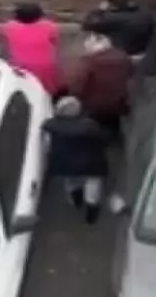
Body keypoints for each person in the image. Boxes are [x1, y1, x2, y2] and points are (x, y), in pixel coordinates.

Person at [43, 96, 110, 225]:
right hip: (92, 164)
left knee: (72, 182)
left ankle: (77, 201)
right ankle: (91, 215)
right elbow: (104, 139)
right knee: (93, 188)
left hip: (66, 164)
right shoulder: (90, 126)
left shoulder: (51, 125)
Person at [66, 33, 132, 145]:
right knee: (113, 122)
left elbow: (80, 82)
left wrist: (74, 95)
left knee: (94, 124)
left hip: (95, 103)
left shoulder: (90, 62)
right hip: (118, 101)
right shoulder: (123, 57)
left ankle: (96, 143)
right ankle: (113, 140)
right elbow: (130, 74)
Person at [0, 2, 61, 95]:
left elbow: (6, 46)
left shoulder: (8, 27)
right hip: (45, 67)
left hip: (19, 67)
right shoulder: (51, 27)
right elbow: (54, 44)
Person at [83, 0, 156, 58]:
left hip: (120, 56)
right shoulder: (145, 16)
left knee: (93, 37)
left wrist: (100, 10)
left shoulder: (112, 18)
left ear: (111, 5)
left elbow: (87, 25)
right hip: (142, 54)